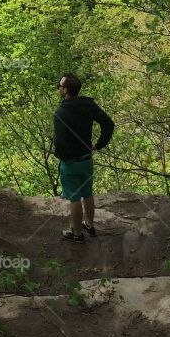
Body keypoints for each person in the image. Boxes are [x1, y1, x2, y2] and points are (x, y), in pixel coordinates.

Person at [53, 73, 114, 241]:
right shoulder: (88, 105)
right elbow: (108, 124)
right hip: (87, 158)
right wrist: (99, 145)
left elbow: (59, 141)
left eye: (60, 86)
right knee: (87, 193)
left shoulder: (61, 112)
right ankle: (90, 225)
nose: (59, 88)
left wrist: (63, 157)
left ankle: (77, 233)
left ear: (66, 90)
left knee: (74, 198)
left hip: (71, 162)